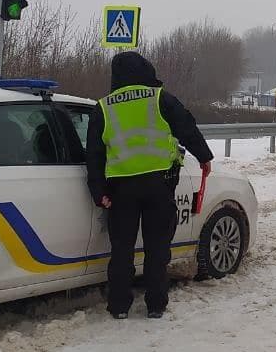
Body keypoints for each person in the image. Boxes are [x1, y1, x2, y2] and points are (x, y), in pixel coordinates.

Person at [86, 51, 213, 320]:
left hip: (120, 189)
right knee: (157, 249)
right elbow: (186, 126)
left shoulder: (104, 106)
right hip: (159, 185)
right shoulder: (159, 98)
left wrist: (99, 192)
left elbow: (94, 153)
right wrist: (204, 156)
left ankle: (119, 306)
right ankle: (156, 305)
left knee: (121, 250)